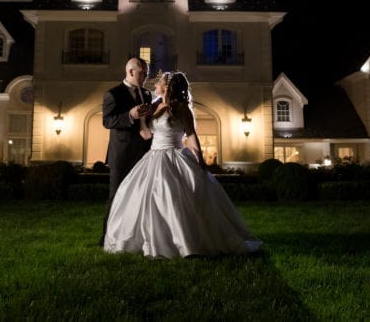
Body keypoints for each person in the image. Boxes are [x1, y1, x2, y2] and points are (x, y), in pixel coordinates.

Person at [103, 71, 262, 258]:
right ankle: (147, 240)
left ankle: (183, 242)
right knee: (143, 197)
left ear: (167, 86)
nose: (155, 85)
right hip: (153, 156)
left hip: (175, 155)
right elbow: (145, 132)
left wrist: (200, 160)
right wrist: (140, 121)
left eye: (159, 82)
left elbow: (191, 135)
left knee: (174, 199)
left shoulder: (182, 108)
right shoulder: (154, 106)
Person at [100, 57, 153, 246]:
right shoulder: (113, 94)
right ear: (130, 71)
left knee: (140, 197)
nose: (145, 77)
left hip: (144, 154)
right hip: (121, 154)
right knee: (116, 196)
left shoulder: (147, 94)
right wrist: (130, 115)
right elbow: (107, 121)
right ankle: (106, 237)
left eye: (147, 74)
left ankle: (135, 236)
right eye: (142, 73)